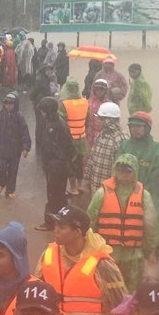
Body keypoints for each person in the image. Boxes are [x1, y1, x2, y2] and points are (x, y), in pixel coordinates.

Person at [36, 206, 127, 315]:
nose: (56, 230)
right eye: (55, 225)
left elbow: (118, 308)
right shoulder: (48, 255)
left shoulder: (103, 265)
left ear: (78, 232)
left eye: (62, 227)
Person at [86, 154, 159, 289]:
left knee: (132, 292)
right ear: (115, 170)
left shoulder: (144, 196)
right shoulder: (101, 193)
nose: (123, 174)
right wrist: (88, 247)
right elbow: (90, 222)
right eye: (120, 170)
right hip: (107, 253)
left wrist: (151, 250)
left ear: (135, 172)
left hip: (133, 256)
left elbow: (151, 225)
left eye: (128, 171)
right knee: (106, 289)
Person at [117, 112, 159, 240]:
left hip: (146, 196)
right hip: (123, 195)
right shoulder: (124, 145)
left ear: (147, 128)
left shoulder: (155, 149)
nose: (135, 130)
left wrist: (144, 198)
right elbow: (116, 172)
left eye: (139, 127)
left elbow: (157, 180)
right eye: (132, 126)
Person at [33, 97, 78, 229]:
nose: (41, 113)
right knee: (59, 195)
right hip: (54, 165)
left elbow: (66, 148)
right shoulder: (52, 122)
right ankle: (62, 220)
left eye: (42, 111)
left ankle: (50, 223)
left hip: (56, 166)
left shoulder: (58, 126)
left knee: (54, 196)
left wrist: (58, 162)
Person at [0, 92, 31, 199]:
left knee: (13, 171)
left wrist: (25, 147)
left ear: (16, 104)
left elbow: (25, 132)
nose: (8, 106)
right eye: (6, 103)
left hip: (15, 150)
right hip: (0, 149)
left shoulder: (20, 118)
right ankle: (2, 183)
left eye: (11, 103)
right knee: (0, 168)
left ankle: (10, 190)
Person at [82, 102, 125, 196]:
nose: (97, 121)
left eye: (100, 119)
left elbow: (121, 170)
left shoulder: (120, 139)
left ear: (109, 121)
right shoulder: (101, 135)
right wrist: (86, 179)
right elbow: (92, 158)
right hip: (96, 187)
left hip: (111, 192)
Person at [57, 80, 88, 197]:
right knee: (80, 163)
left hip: (70, 139)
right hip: (82, 137)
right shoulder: (85, 102)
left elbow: (61, 122)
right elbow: (88, 120)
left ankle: (73, 188)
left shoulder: (65, 104)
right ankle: (81, 185)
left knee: (70, 164)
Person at [84, 78, 110, 147]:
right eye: (97, 89)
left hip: (104, 135)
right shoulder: (87, 103)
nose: (99, 91)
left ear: (106, 90)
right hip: (89, 134)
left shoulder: (109, 105)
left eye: (102, 89)